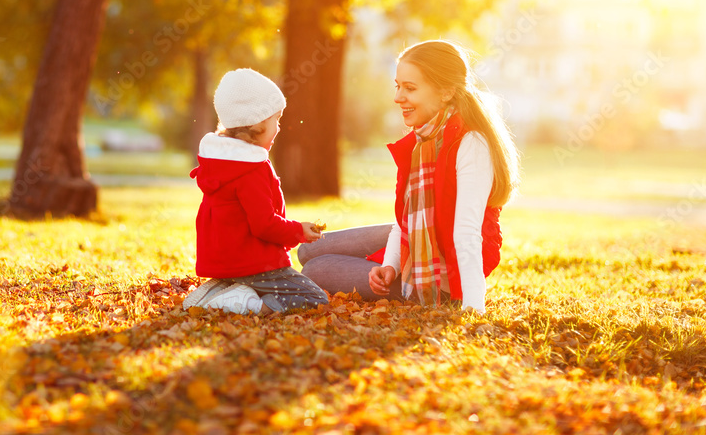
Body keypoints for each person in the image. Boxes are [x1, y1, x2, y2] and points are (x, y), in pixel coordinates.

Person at [299, 40, 520, 314]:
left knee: (315, 268)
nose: (398, 97)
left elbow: (466, 233)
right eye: (398, 86)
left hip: (443, 275)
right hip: (422, 240)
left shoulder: (470, 143)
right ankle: (391, 265)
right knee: (306, 250)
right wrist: (390, 265)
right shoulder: (423, 139)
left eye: (410, 88)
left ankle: (418, 284)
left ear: (446, 92)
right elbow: (406, 220)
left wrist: (473, 306)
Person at [183, 68, 329, 315]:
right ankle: (249, 304)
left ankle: (221, 287)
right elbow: (264, 225)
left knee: (257, 281)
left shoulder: (221, 163)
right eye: (276, 120)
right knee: (314, 297)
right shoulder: (252, 168)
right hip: (257, 264)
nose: (279, 128)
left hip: (228, 263)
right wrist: (297, 230)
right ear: (258, 122)